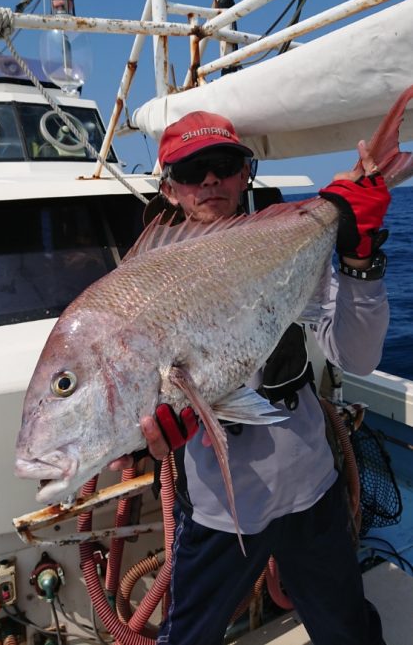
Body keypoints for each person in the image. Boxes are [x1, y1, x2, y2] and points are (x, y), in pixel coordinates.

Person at [111, 110, 390, 645]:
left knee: (348, 632)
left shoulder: (283, 247)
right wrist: (147, 445)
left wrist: (361, 261)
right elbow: (134, 389)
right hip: (222, 511)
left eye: (223, 164)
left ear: (245, 175)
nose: (210, 180)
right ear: (169, 189)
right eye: (193, 171)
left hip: (313, 491)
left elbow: (356, 356)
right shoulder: (142, 284)